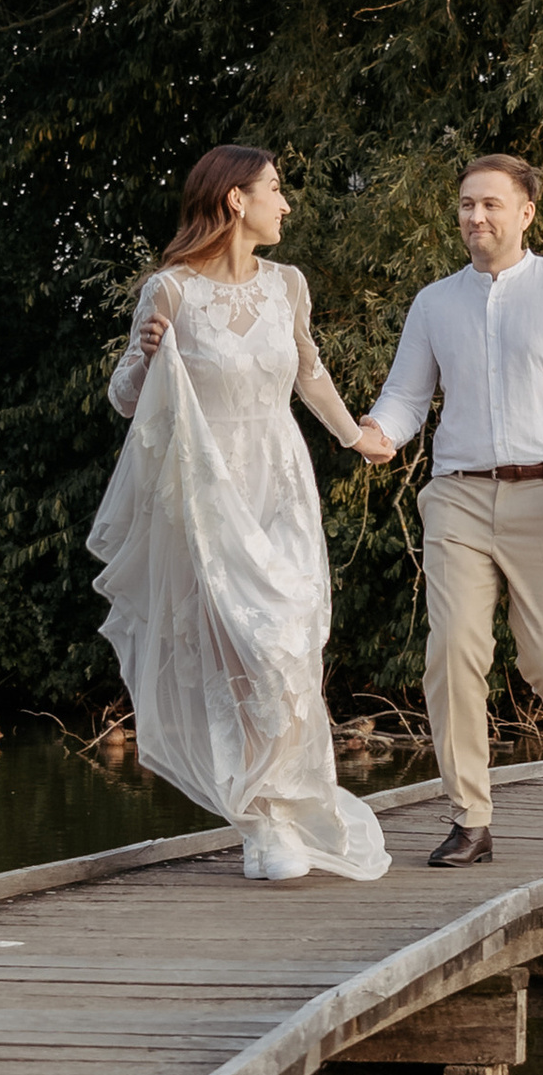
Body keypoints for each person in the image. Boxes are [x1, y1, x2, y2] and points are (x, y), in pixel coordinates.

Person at [88, 143, 390, 885]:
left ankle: (283, 806)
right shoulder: (169, 292)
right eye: (275, 190)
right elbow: (127, 403)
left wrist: (356, 436)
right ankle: (261, 820)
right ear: (235, 201)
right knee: (238, 656)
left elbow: (309, 370)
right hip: (208, 491)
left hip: (280, 481)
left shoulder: (288, 284)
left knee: (290, 644)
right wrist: (142, 359)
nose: (285, 204)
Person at [357, 154, 543, 868]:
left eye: (488, 205)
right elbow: (406, 397)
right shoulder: (434, 303)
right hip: (458, 494)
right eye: (464, 206)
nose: (474, 217)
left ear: (524, 214)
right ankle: (470, 819)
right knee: (452, 651)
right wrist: (380, 433)